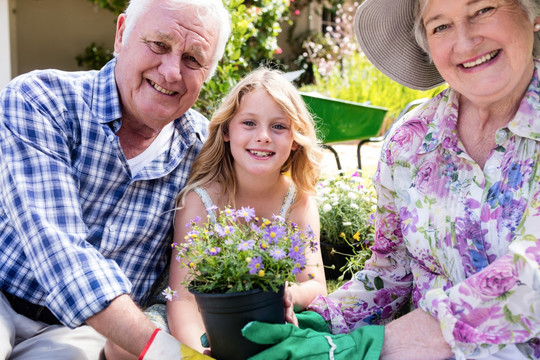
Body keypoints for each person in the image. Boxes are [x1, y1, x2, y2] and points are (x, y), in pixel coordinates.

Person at [242, 0, 540, 359]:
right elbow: (391, 270)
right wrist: (319, 321)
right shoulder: (410, 139)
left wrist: (375, 346)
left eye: (483, 9)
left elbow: (531, 275)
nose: (464, 42)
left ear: (532, 14)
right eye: (440, 26)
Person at [0, 0, 231, 358]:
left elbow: (184, 282)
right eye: (159, 44)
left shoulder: (204, 153)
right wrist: (166, 353)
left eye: (192, 59)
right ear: (121, 34)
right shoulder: (40, 100)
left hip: (84, 333)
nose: (171, 72)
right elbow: (57, 247)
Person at [105, 68, 328, 359]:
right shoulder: (202, 200)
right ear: (226, 131)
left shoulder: (297, 201)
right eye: (249, 123)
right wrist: (196, 354)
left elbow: (315, 284)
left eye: (278, 127)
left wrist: (289, 294)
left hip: (268, 317)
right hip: (197, 320)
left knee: (319, 332)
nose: (263, 137)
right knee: (121, 347)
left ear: (295, 139)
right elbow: (183, 299)